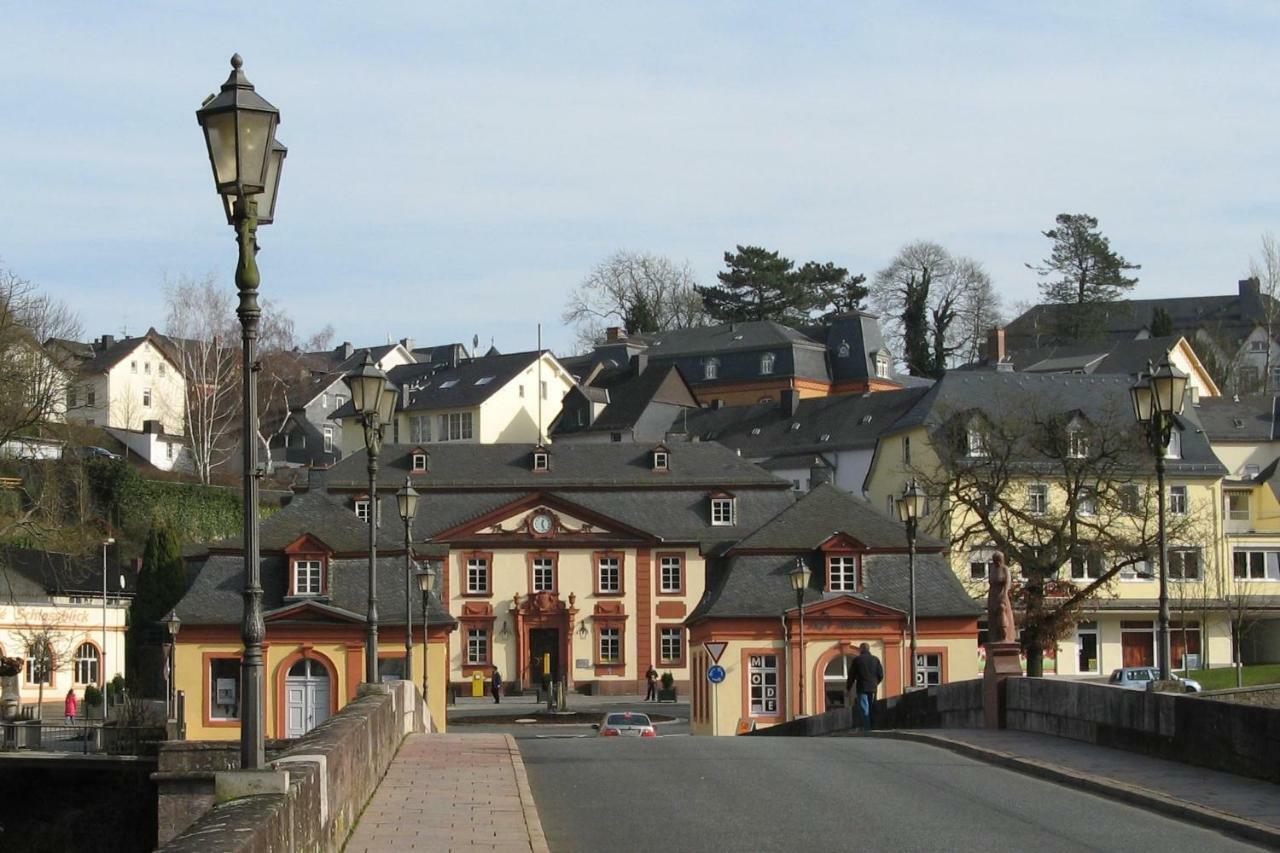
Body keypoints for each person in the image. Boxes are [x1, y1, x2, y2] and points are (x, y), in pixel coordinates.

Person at [845, 643, 883, 731]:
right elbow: (881, 674)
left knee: (864, 707)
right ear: (869, 649)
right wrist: (875, 683)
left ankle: (867, 728)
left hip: (862, 687)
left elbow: (851, 676)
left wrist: (848, 688)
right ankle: (873, 727)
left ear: (861, 649)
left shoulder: (857, 660)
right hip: (873, 688)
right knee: (872, 706)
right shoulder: (875, 659)